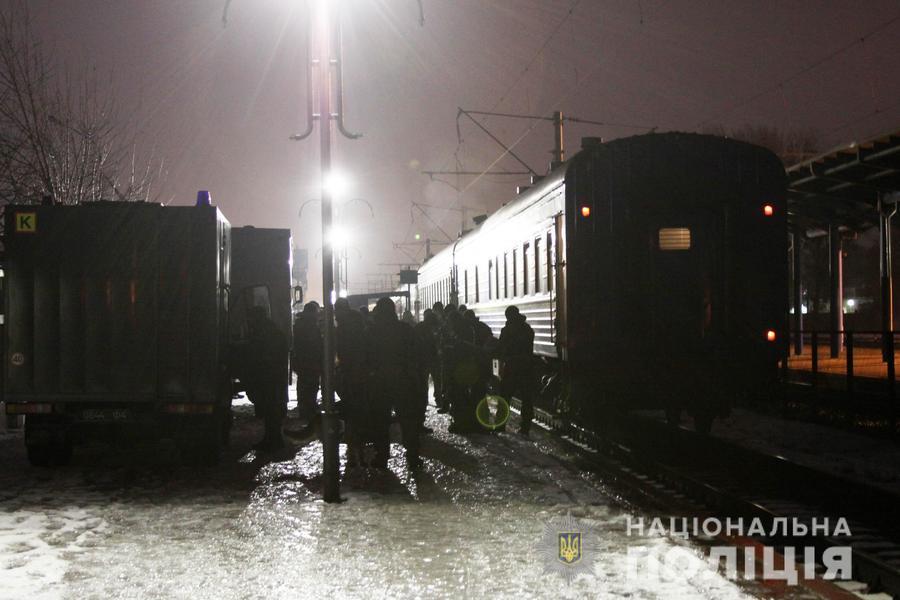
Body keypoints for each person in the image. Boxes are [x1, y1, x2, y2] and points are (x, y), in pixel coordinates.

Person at [367, 298, 419, 469]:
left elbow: (369, 357)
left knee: (380, 421)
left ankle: (382, 455)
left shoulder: (373, 331)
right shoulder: (405, 330)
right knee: (408, 420)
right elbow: (414, 355)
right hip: (403, 380)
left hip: (380, 381)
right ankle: (412, 455)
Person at [244, 306, 289, 450]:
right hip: (273, 377)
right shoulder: (272, 331)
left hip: (269, 377)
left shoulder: (264, 333)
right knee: (271, 411)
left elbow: (261, 354)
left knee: (271, 410)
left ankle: (273, 440)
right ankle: (273, 439)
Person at [334, 298, 368, 467]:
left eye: (335, 310)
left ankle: (353, 440)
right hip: (359, 374)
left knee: (351, 409)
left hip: (350, 373)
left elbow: (342, 352)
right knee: (357, 409)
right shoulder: (358, 325)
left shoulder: (344, 328)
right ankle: (357, 440)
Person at [497, 305, 535, 435]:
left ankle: (500, 425)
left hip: (511, 367)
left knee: (505, 397)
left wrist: (501, 365)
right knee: (527, 398)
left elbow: (501, 349)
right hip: (526, 367)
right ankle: (525, 427)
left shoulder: (506, 330)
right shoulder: (528, 330)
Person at [292, 301, 323, 422]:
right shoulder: (310, 326)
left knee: (305, 388)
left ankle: (305, 410)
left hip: (304, 362)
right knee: (310, 387)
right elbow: (314, 345)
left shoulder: (300, 324)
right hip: (310, 362)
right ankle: (308, 412)